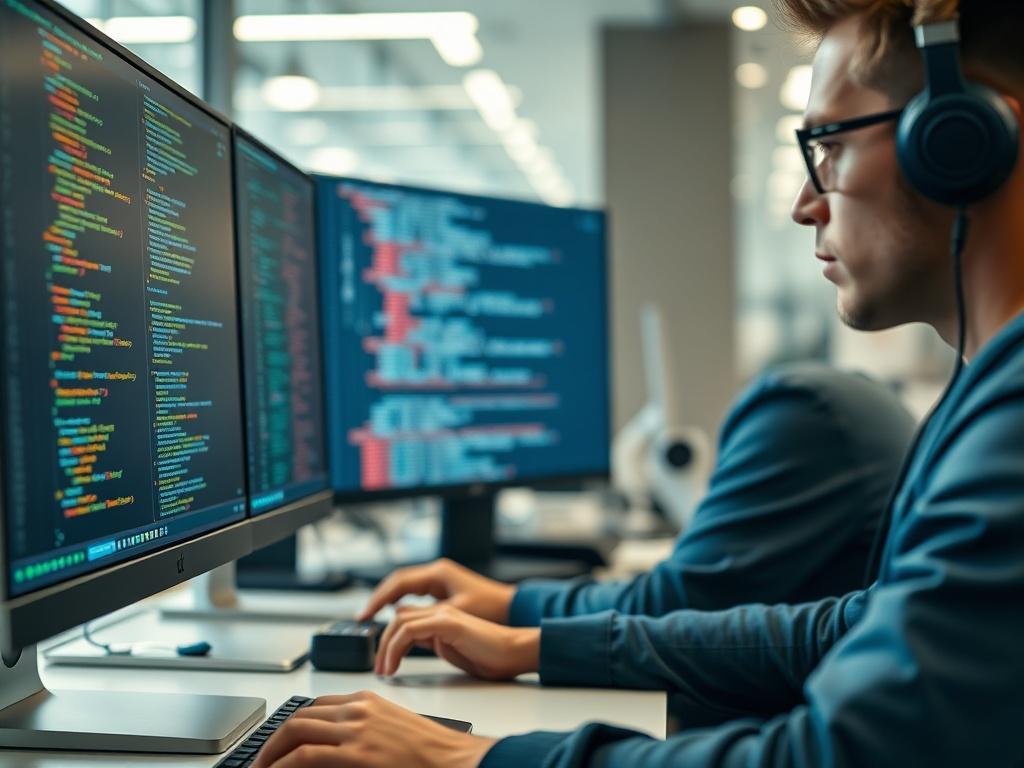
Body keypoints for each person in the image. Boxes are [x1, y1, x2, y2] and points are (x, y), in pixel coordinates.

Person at [252, 1, 1024, 766]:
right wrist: (539, 642)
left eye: (827, 145)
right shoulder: (987, 392)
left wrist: (472, 760)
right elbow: (849, 629)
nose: (803, 203)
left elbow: (840, 755)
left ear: (959, 140)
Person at [356, 363, 915, 630]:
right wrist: (517, 616)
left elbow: (682, 601)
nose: (804, 206)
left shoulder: (811, 411)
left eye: (831, 150)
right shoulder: (858, 402)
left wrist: (484, 755)